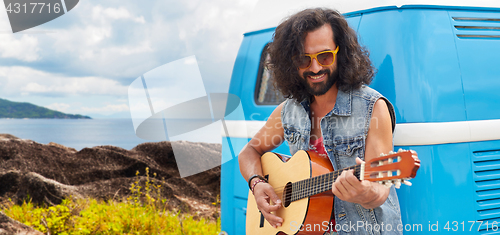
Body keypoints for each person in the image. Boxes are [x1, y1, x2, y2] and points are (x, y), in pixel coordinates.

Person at [239, 8, 405, 235]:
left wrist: (363, 193)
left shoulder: (372, 107)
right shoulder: (288, 111)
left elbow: (380, 190)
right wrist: (257, 184)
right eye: (303, 59)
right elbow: (249, 152)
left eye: (324, 56)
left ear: (342, 53)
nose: (315, 67)